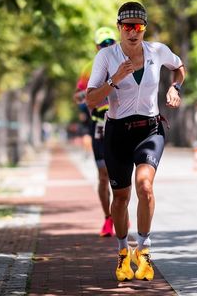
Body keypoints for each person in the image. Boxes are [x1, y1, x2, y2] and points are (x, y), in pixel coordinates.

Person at [86, 1, 185, 281]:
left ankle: (144, 252)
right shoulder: (106, 57)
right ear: (119, 28)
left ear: (144, 28)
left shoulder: (157, 50)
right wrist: (114, 80)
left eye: (138, 27)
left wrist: (174, 87)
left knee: (145, 186)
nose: (133, 32)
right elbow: (91, 101)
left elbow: (179, 67)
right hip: (117, 132)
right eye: (127, 27)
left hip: (150, 129)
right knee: (120, 198)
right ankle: (122, 253)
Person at [73, 27, 118, 237]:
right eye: (103, 44)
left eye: (111, 42)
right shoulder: (88, 68)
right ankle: (108, 219)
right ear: (96, 47)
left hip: (120, 121)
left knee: (121, 175)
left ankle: (121, 217)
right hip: (99, 123)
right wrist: (91, 95)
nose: (107, 46)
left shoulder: (125, 64)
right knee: (103, 175)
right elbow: (78, 97)